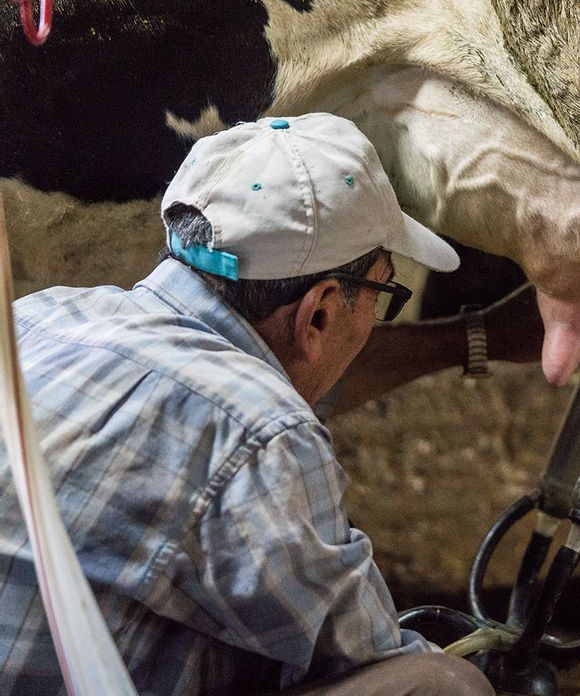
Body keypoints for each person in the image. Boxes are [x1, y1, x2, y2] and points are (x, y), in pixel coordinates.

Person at [0, 114, 543, 695]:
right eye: (385, 292)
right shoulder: (265, 436)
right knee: (440, 685)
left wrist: (478, 336)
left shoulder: (42, 317)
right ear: (319, 311)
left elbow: (245, 397)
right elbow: (363, 652)